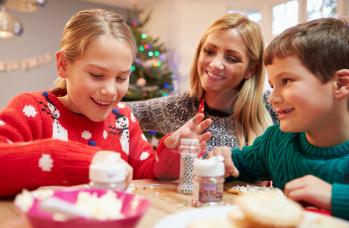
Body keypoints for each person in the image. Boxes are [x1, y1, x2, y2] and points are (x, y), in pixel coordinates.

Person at [0, 9, 210, 197]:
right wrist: (87, 160)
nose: (110, 91)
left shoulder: (123, 118)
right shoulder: (31, 110)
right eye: (97, 75)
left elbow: (146, 173)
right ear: (63, 65)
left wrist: (172, 152)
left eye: (121, 78)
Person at [207, 17, 349, 220]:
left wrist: (335, 197)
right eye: (273, 85)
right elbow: (239, 166)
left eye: (287, 81)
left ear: (341, 84)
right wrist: (223, 160)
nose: (273, 98)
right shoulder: (276, 141)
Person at [127, 13, 275, 153]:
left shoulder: (272, 106)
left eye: (231, 58)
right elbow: (116, 113)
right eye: (209, 51)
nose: (216, 64)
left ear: (251, 69)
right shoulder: (179, 107)